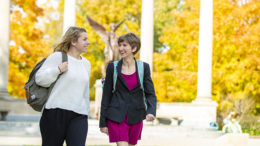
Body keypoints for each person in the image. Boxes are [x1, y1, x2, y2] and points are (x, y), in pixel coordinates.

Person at [35, 26, 91, 146]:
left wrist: (86, 111)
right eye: (84, 39)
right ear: (73, 41)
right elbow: (40, 79)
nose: (88, 42)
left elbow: (84, 92)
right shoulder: (58, 57)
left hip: (79, 115)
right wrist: (58, 69)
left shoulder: (86, 64)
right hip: (55, 113)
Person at [99, 32, 157, 146]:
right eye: (119, 45)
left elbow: (150, 93)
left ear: (134, 48)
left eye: (124, 45)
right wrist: (103, 122)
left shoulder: (143, 67)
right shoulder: (113, 67)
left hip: (136, 116)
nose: (121, 48)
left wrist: (151, 111)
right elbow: (106, 96)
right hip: (116, 116)